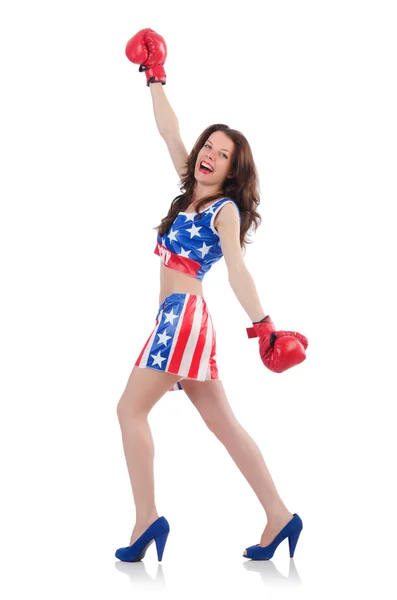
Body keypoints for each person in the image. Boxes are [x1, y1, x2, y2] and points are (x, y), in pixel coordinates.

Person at [115, 28, 304, 563]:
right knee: (224, 424)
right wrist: (155, 77)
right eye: (208, 148)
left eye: (222, 156)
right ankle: (280, 516)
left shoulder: (224, 211)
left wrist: (264, 323)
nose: (208, 156)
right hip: (180, 320)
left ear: (231, 171)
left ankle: (146, 521)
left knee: (129, 411)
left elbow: (238, 269)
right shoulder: (189, 194)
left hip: (183, 319)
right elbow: (168, 131)